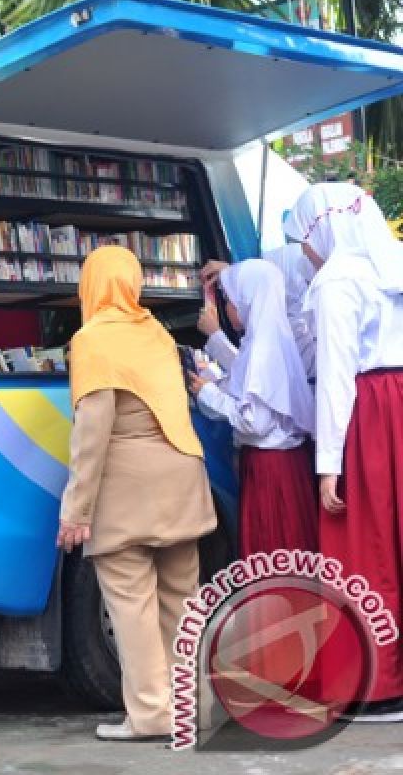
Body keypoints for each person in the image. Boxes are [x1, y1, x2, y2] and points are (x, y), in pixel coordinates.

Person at [56, 246, 216, 742]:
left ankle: (150, 715)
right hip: (182, 482)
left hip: (128, 492)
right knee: (182, 601)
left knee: (131, 606)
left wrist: (75, 510)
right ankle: (193, 708)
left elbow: (92, 433)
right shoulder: (158, 334)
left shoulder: (93, 341)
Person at [286, 182, 403, 721]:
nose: (306, 254)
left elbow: (335, 379)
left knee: (365, 545)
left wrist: (327, 467)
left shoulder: (337, 280)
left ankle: (379, 685)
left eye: (304, 240)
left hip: (373, 412)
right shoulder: (394, 262)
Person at [191, 260, 318, 556]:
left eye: (231, 300)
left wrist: (208, 393)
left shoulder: (262, 348)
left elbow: (254, 421)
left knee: (273, 553)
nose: (228, 308)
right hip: (287, 466)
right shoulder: (272, 339)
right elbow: (255, 389)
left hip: (269, 469)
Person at [200, 241, 317, 379]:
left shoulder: (297, 336)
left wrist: (216, 337)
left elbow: (255, 383)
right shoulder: (273, 331)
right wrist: (233, 276)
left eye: (229, 298)